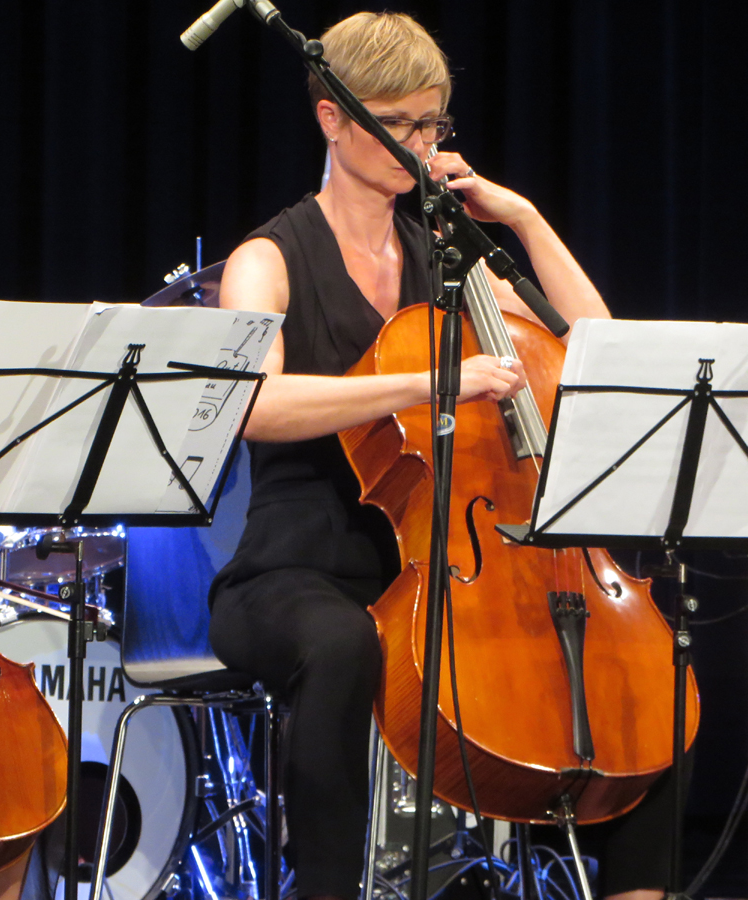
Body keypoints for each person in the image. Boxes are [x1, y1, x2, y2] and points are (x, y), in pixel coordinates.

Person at [207, 12, 671, 900]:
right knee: (342, 645)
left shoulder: (450, 256)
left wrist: (523, 218)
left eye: (432, 124)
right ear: (332, 119)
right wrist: (427, 383)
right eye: (398, 123)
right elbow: (254, 407)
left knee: (637, 673)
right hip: (300, 569)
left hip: (447, 566)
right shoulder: (269, 258)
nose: (419, 145)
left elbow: (595, 344)